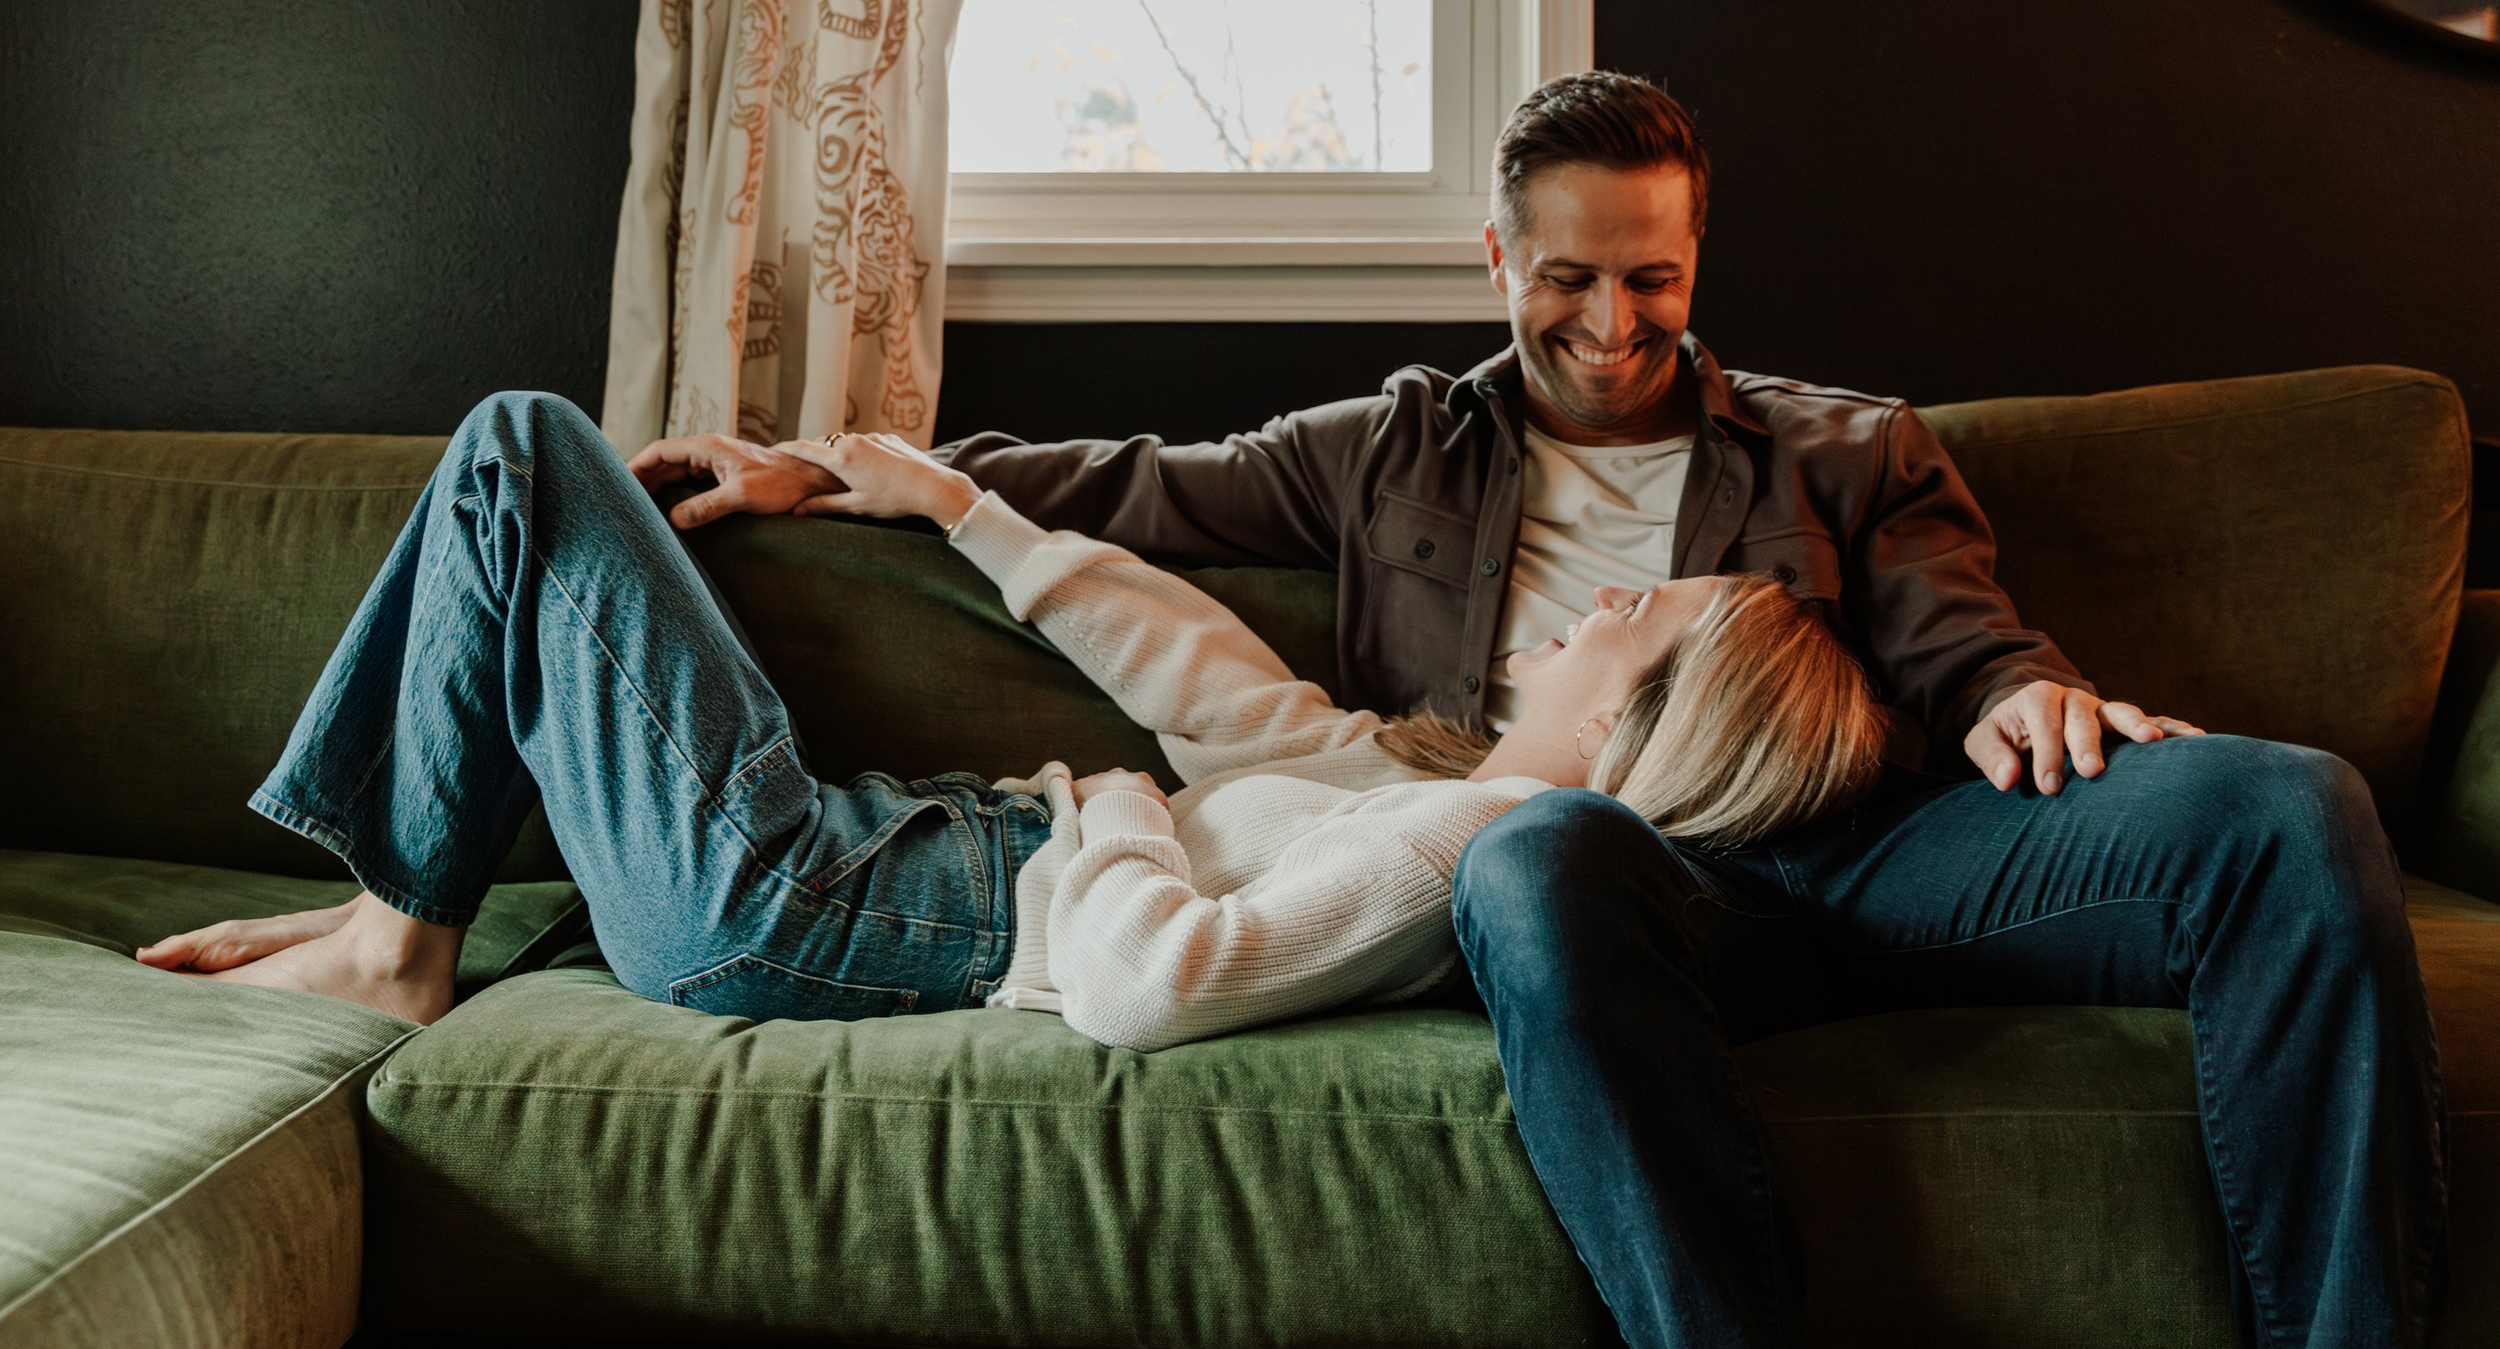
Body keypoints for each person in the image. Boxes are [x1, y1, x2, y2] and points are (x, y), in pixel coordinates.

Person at [612, 69, 2448, 1347]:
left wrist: (2028, 694)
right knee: (1534, 849)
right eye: (1569, 276)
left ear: (1699, 260)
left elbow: (1960, 634)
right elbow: (1131, 488)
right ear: (1499, 259)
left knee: (2289, 807)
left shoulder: (1847, 445)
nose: (1614, 320)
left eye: (1655, 276)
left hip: (1867, 839)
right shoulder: (1392, 447)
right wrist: (838, 466)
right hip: (1618, 871)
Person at [137, 392, 1885, 1057]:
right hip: (850, 876)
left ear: (1642, 727)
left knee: (528, 447)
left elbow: (1156, 983)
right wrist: (950, 501)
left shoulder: (1470, 843)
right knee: (529, 472)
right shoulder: (1427, 784)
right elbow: (1202, 673)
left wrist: (1114, 807)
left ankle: (396, 939)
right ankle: (393, 912)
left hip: (832, 899)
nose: (1595, 605)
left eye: (1640, 616)